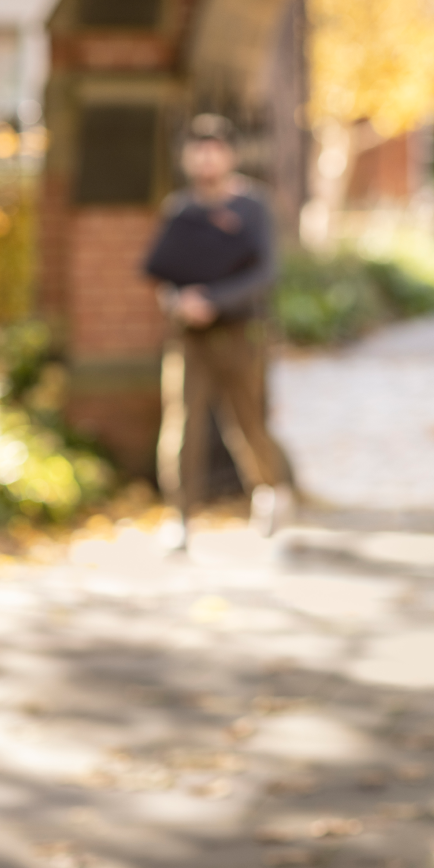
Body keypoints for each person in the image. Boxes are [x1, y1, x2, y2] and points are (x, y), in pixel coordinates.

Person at [143, 114, 294, 548]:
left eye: (214, 149)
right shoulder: (180, 209)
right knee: (183, 423)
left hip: (242, 331)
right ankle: (181, 516)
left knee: (247, 422)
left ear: (229, 155)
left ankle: (270, 490)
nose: (206, 159)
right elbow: (165, 272)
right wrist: (178, 302)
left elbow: (265, 272)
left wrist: (216, 301)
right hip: (190, 337)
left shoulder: (253, 207)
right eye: (198, 150)